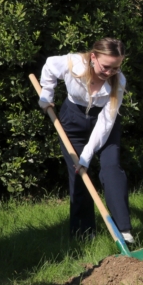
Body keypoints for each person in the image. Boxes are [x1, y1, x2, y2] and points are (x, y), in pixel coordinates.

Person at [38, 38, 133, 243]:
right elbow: (49, 66)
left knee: (111, 168)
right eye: (106, 66)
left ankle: (124, 230)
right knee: (79, 175)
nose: (109, 73)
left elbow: (105, 123)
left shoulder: (119, 81)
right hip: (72, 120)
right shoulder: (73, 63)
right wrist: (46, 93)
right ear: (93, 57)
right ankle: (83, 232)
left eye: (115, 68)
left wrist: (87, 155)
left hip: (104, 123)